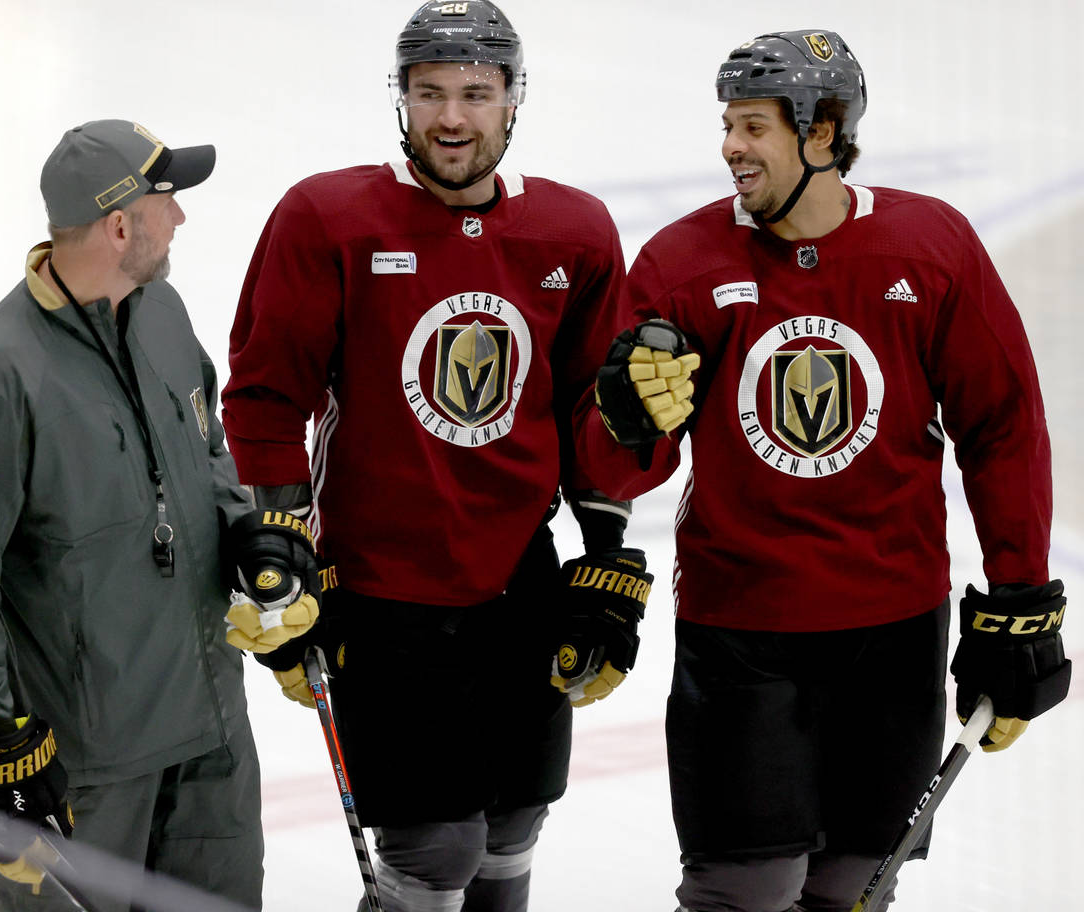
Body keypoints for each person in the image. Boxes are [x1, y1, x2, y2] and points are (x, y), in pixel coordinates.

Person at [576, 29, 1072, 912]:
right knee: (742, 889)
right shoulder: (682, 265)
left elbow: (1002, 427)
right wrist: (621, 415)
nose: (731, 145)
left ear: (824, 130)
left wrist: (1020, 596)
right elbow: (619, 475)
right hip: (740, 630)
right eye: (728, 123)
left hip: (892, 629)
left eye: (755, 125)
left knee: (854, 889)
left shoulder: (930, 247)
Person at [219, 3, 655, 910]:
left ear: (512, 101)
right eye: (428, 93)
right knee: (436, 850)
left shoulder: (572, 232)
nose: (450, 117)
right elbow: (267, 394)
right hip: (381, 590)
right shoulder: (328, 217)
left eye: (473, 94)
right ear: (401, 99)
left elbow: (594, 408)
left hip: (518, 579)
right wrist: (280, 543)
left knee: (514, 826)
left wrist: (605, 545)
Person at [0, 119, 311, 911]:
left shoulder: (161, 311)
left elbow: (205, 453)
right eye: (168, 200)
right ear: (120, 222)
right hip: (86, 767)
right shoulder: (4, 374)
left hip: (212, 734)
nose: (183, 218)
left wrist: (248, 532)